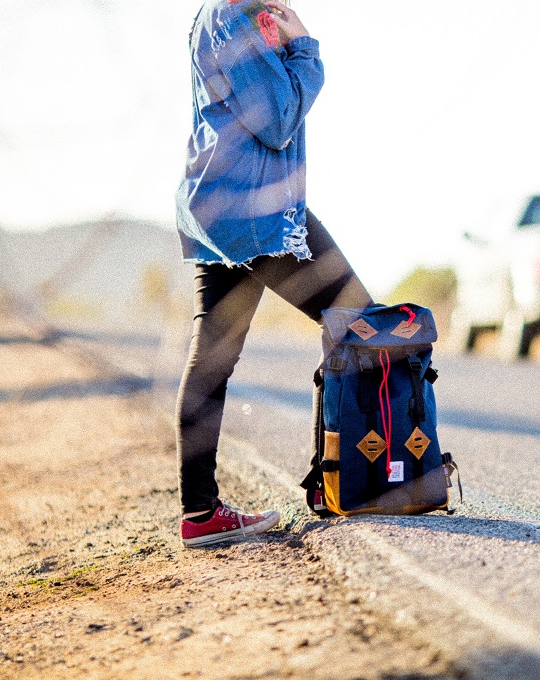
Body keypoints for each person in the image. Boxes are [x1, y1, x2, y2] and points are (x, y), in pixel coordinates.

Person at [174, 0, 372, 548]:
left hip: (221, 205)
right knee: (360, 320)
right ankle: (343, 481)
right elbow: (278, 121)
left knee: (212, 357)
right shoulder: (234, 15)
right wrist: (306, 51)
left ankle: (200, 512)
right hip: (256, 209)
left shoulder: (228, 14)